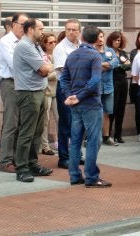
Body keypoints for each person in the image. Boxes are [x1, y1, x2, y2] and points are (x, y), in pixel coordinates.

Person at [61, 25, 111, 188]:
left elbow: (64, 79)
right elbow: (95, 80)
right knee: (93, 141)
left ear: (82, 37)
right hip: (91, 104)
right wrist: (78, 96)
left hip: (76, 105)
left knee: (75, 140)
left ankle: (75, 175)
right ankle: (91, 177)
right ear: (97, 39)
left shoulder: (72, 55)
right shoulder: (95, 56)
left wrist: (71, 96)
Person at [13, 18, 54, 182]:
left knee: (37, 131)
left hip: (39, 91)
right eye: (40, 29)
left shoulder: (36, 46)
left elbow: (47, 65)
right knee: (26, 132)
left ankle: (32, 163)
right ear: (30, 29)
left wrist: (45, 68)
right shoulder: (24, 46)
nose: (42, 32)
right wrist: (44, 68)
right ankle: (22, 168)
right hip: (28, 93)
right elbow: (45, 67)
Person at [0, 12, 28, 173]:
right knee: (11, 123)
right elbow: (14, 64)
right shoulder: (6, 41)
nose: (25, 28)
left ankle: (17, 158)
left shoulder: (25, 41)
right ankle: (5, 161)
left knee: (21, 123)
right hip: (10, 83)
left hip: (23, 84)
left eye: (27, 25)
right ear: (14, 24)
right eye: (22, 25)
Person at [53, 18, 81, 169]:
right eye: (68, 29)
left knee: (78, 123)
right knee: (66, 123)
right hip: (66, 89)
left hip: (80, 89)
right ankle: (63, 157)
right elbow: (64, 70)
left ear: (79, 31)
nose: (71, 32)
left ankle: (75, 155)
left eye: (74, 29)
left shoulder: (81, 45)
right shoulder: (60, 48)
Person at [94, 30, 120, 146]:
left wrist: (103, 65)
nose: (100, 39)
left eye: (101, 37)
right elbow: (92, 66)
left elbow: (116, 63)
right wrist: (107, 65)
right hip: (96, 87)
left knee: (107, 113)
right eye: (97, 37)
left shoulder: (109, 51)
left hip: (109, 87)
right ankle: (93, 137)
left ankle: (106, 137)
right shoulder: (92, 51)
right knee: (95, 113)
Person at [106, 31, 130, 144]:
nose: (117, 42)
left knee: (121, 108)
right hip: (113, 81)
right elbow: (111, 66)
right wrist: (120, 65)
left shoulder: (122, 52)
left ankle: (118, 135)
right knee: (112, 108)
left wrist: (119, 66)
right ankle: (108, 133)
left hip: (123, 82)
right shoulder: (108, 53)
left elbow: (128, 65)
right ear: (111, 40)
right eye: (115, 40)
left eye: (119, 40)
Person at [39, 33, 58, 156]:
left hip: (57, 90)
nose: (53, 44)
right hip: (46, 91)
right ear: (44, 44)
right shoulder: (42, 56)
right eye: (50, 42)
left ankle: (59, 142)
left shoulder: (56, 54)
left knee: (59, 117)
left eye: (54, 41)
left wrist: (54, 71)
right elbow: (44, 75)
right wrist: (55, 72)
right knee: (45, 120)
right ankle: (44, 146)